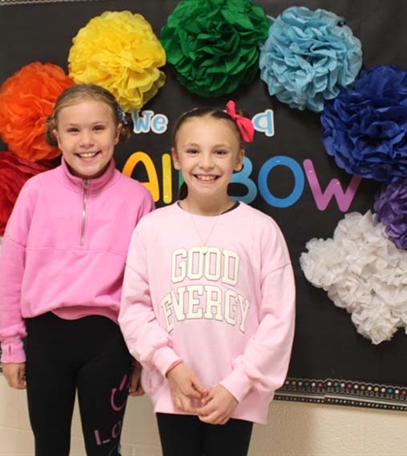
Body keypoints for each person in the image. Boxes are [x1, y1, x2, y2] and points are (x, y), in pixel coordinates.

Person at [118, 103, 296, 456]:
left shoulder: (262, 230)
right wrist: (171, 367)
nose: (206, 163)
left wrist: (237, 384)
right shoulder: (152, 229)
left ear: (238, 159)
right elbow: (135, 310)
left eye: (220, 152)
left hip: (236, 394)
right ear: (175, 158)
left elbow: (279, 320)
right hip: (175, 388)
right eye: (193, 151)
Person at [0, 83, 154, 456]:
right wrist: (12, 346)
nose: (86, 140)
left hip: (109, 344)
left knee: (106, 450)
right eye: (73, 130)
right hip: (46, 342)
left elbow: (146, 285)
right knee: (48, 447)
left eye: (98, 128)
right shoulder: (35, 192)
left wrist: (141, 355)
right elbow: (11, 272)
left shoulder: (138, 198)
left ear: (117, 132)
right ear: (57, 136)